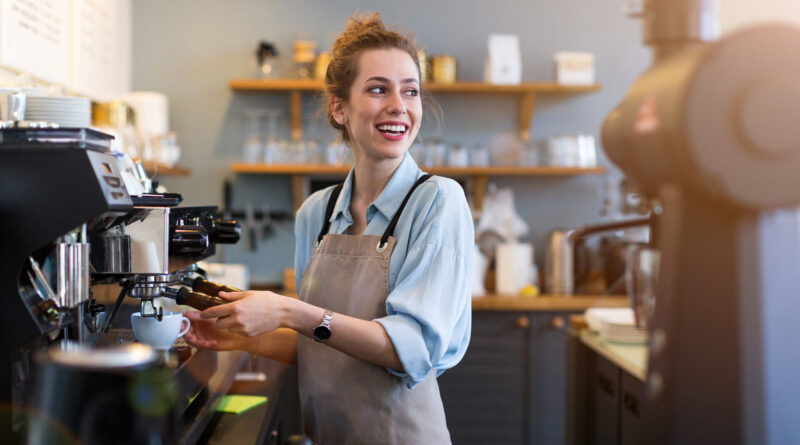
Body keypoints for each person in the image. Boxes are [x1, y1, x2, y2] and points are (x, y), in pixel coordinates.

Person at [184, 12, 473, 444]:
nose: (399, 105)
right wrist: (244, 338)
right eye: (379, 89)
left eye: (410, 91)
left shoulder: (437, 201)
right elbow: (320, 342)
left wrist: (286, 310)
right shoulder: (316, 213)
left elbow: (412, 350)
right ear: (339, 107)